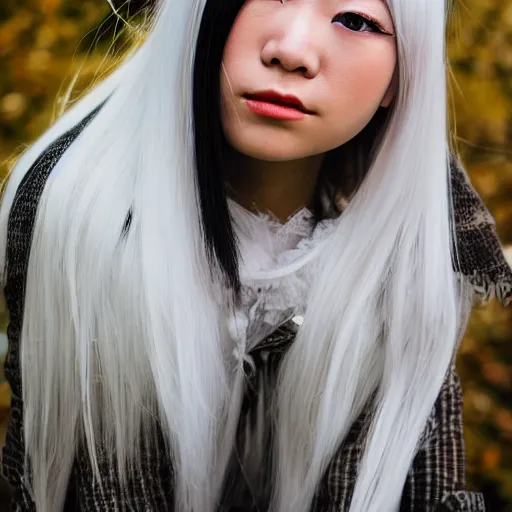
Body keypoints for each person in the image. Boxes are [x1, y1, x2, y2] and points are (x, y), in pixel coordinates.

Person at [0, 0, 511, 511]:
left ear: (401, 76)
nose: (291, 51)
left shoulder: (408, 268)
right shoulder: (86, 219)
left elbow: (424, 483)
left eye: (356, 20)